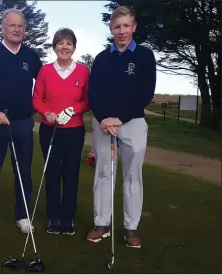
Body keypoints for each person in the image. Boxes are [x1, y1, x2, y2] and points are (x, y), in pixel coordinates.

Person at [87, 6, 156, 248]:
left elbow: (146, 92)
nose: (122, 31)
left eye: (126, 26)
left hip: (133, 122)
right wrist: (105, 118)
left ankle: (131, 227)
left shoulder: (145, 56)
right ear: (111, 29)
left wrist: (120, 118)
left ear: (133, 27)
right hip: (104, 123)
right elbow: (93, 93)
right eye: (117, 27)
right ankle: (101, 223)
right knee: (104, 173)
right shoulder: (102, 58)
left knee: (132, 176)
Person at [0, 8, 43, 234]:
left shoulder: (30, 56)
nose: (17, 29)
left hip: (23, 122)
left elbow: (43, 83)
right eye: (12, 25)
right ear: (3, 28)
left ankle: (22, 215)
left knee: (23, 171)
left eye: (20, 26)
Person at [32, 28, 90, 235]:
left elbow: (88, 100)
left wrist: (74, 109)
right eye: (60, 43)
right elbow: (37, 98)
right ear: (55, 46)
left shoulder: (83, 71)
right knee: (53, 173)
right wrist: (46, 112)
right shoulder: (45, 71)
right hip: (50, 130)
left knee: (71, 174)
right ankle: (53, 217)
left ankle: (68, 218)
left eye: (69, 43)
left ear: (74, 47)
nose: (64, 47)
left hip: (74, 131)